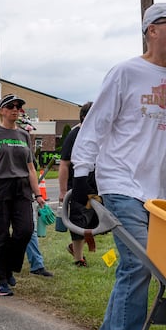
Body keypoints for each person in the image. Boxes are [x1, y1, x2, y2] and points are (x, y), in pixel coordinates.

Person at [71, 3, 166, 330]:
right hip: (121, 185)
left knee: (132, 272)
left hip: (160, 194)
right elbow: (95, 127)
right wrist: (81, 179)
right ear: (151, 30)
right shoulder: (125, 72)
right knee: (140, 267)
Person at [0, 94, 47, 296]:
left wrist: (38, 194)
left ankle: (8, 268)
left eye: (18, 106)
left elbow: (31, 168)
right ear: (2, 110)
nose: (15, 109)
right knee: (0, 236)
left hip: (22, 189)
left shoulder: (24, 136)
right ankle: (0, 280)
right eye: (11, 106)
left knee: (25, 230)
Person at [58, 101, 94, 267]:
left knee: (97, 221)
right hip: (78, 185)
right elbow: (64, 164)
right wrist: (63, 191)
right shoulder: (75, 134)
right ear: (84, 117)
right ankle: (78, 259)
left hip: (96, 186)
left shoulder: (98, 134)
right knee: (78, 221)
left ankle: (75, 247)